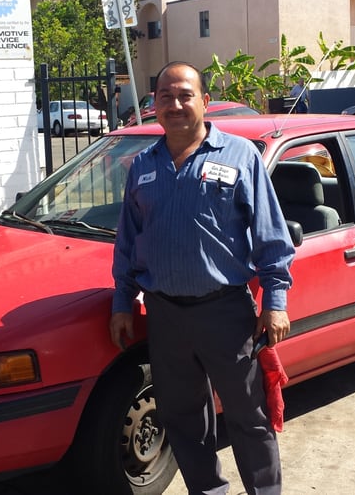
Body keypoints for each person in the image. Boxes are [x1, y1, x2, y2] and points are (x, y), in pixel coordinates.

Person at [110, 61, 295, 495]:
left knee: (248, 416)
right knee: (183, 419)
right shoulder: (142, 167)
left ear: (204, 102)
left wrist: (276, 300)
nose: (175, 105)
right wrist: (122, 302)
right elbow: (128, 244)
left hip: (226, 314)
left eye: (184, 95)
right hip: (166, 315)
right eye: (165, 97)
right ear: (154, 105)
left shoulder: (240, 155)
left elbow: (272, 234)